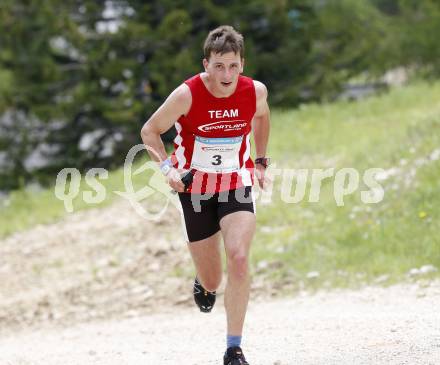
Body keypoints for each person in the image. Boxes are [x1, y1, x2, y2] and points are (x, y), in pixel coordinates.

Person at [140, 25, 270, 365]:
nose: (226, 75)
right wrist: (167, 170)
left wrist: (259, 160)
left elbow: (262, 116)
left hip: (234, 183)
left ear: (242, 64)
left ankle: (233, 349)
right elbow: (150, 131)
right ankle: (205, 281)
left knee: (239, 258)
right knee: (214, 279)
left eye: (233, 66)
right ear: (206, 65)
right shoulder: (188, 94)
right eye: (218, 66)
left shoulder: (254, 91)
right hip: (194, 189)